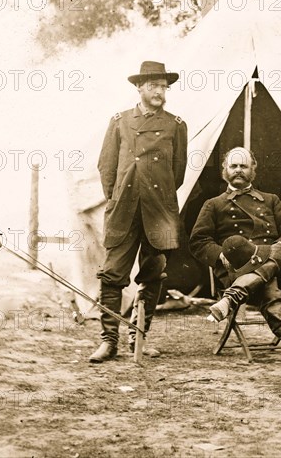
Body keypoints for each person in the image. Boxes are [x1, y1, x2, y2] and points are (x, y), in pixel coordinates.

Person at [89, 61, 187, 363]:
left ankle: (138, 339)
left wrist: (154, 193)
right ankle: (109, 341)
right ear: (139, 88)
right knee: (112, 275)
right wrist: (120, 197)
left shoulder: (176, 125)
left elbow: (178, 173)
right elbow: (106, 168)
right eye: (154, 86)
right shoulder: (119, 122)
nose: (160, 92)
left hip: (159, 212)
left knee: (154, 275)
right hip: (124, 211)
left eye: (163, 87)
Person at [190, 147, 281, 374]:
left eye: (243, 166)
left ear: (253, 170)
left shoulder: (271, 200)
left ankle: (232, 297)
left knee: (271, 262)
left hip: (277, 264)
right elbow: (199, 241)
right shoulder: (213, 204)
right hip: (237, 267)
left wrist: (279, 248)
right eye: (233, 166)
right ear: (224, 171)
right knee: (267, 290)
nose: (238, 170)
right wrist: (221, 255)